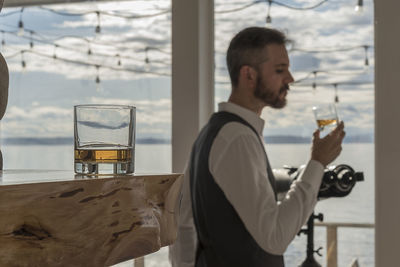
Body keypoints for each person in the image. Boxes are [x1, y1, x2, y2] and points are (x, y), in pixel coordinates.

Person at [169, 27, 345, 267]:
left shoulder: (211, 133)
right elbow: (275, 237)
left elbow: (184, 224)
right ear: (248, 75)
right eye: (280, 70)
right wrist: (317, 163)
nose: (290, 79)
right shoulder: (237, 138)